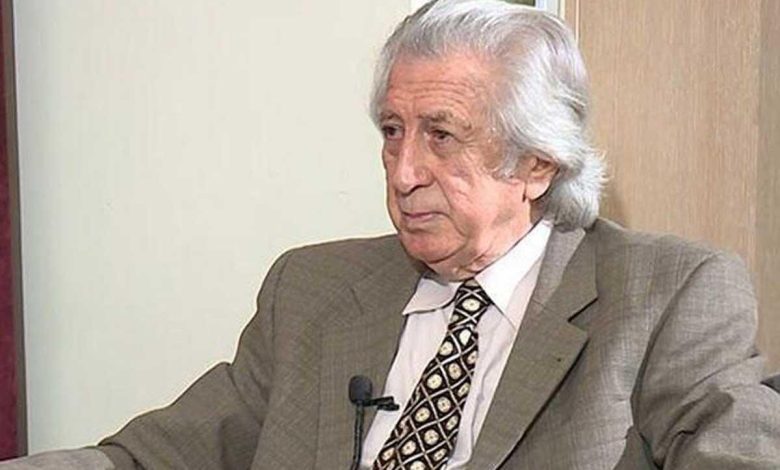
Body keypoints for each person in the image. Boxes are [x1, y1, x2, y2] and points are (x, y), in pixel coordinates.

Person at [4, 0, 780, 468]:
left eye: (441, 135)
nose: (404, 172)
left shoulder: (666, 294)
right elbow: (156, 458)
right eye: (391, 131)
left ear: (537, 162)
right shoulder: (311, 291)